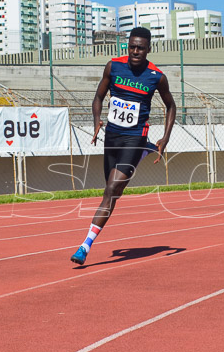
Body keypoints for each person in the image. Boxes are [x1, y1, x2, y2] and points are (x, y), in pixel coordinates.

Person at [71, 27, 177, 265]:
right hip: (112, 137)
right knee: (113, 193)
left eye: (140, 47)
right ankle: (140, 155)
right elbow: (98, 96)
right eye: (131, 46)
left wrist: (165, 137)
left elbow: (171, 106)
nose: (135, 51)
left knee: (110, 190)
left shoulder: (156, 76)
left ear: (149, 49)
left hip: (135, 137)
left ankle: (85, 246)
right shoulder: (113, 66)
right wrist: (96, 120)